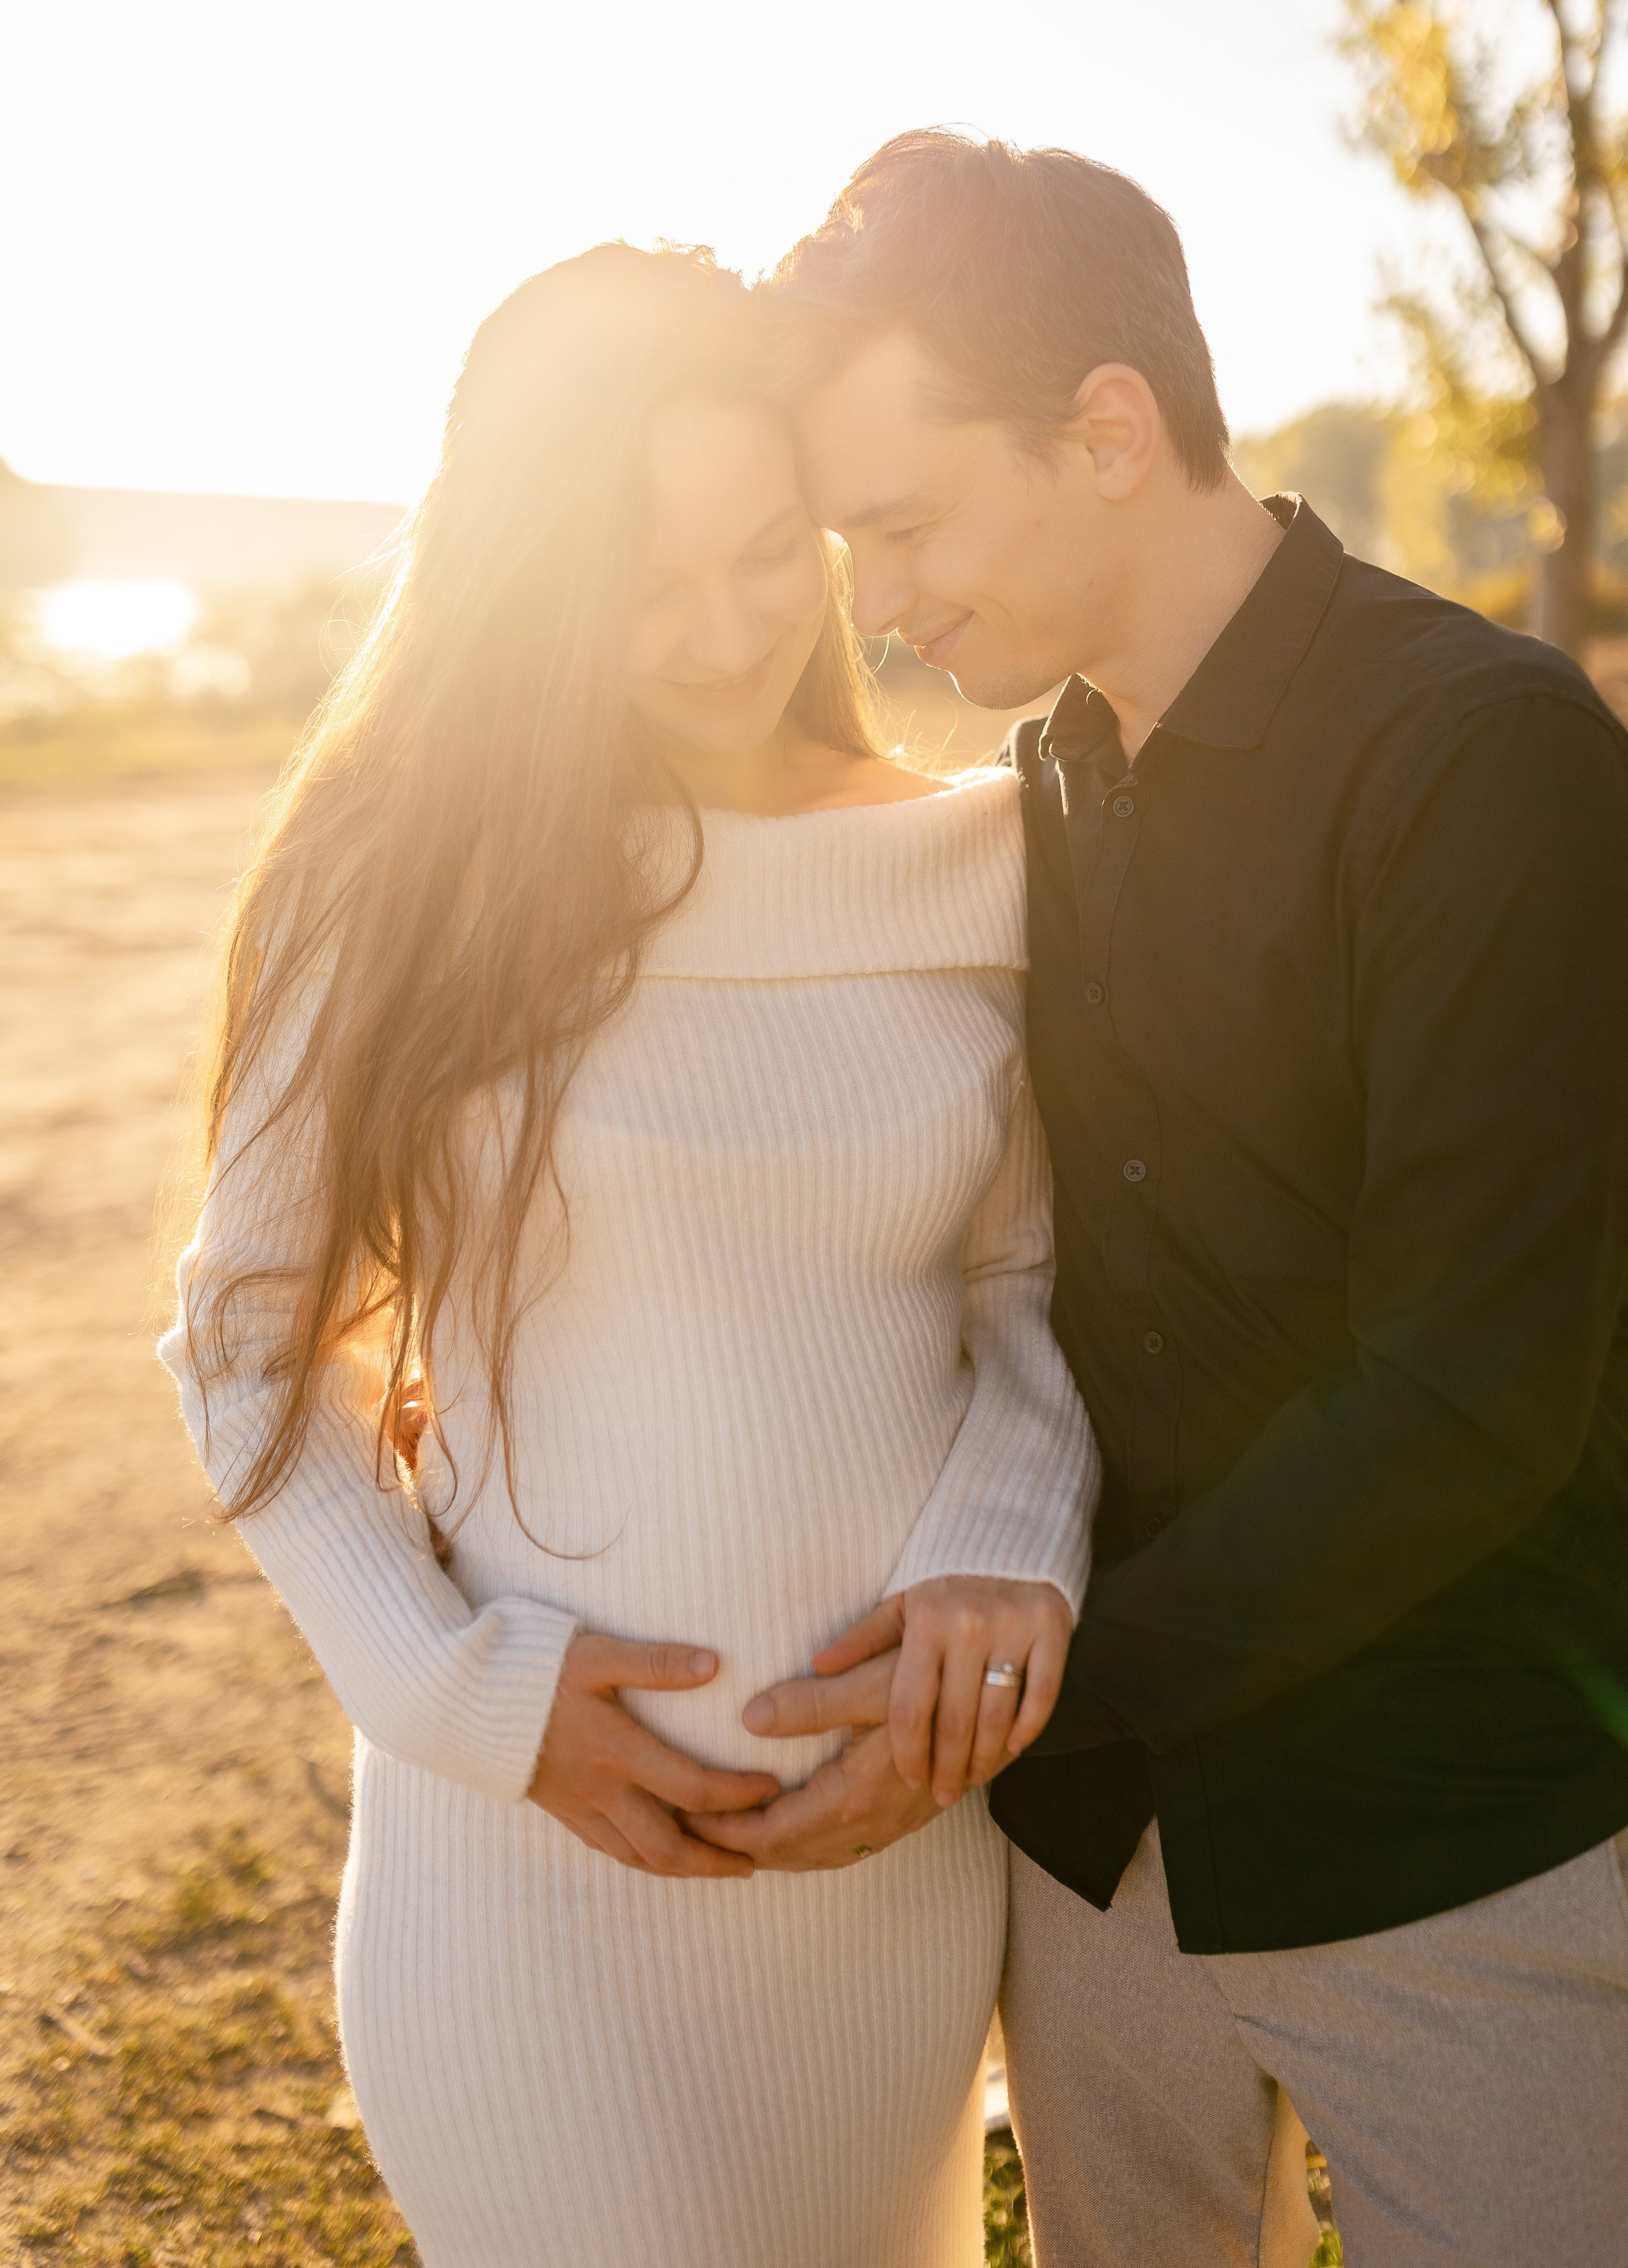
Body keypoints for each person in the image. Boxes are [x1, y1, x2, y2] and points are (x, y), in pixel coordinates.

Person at [754, 130, 1628, 2268]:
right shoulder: (1037, 786)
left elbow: (1468, 1389)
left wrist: (1037, 1690)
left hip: (1460, 1832)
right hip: (1106, 1862)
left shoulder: (1487, 759)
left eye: (904, 523)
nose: (877, 602)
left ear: (1108, 430)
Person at [158, 241, 1099, 2268]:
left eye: (768, 555)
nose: (729, 630)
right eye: (650, 584)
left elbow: (1025, 1291)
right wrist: (461, 1694)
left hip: (891, 1869)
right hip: (522, 1890)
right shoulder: (398, 882)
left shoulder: (975, 862)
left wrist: (1007, 1550)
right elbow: (244, 1344)